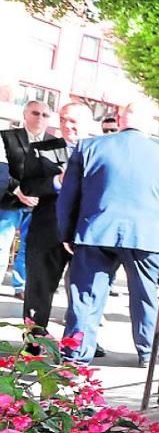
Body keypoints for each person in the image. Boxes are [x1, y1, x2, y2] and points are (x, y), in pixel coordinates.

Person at [57, 101, 159, 366]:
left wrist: (67, 233)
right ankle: (147, 352)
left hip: (95, 231)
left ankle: (76, 355)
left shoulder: (89, 147)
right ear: (149, 124)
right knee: (145, 297)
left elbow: (68, 196)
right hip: (146, 237)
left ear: (120, 119)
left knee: (86, 296)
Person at [21, 102, 94, 352]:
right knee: (38, 290)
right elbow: (28, 186)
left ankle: (78, 344)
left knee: (85, 293)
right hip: (47, 232)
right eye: (63, 119)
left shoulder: (100, 151)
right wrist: (57, 181)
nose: (67, 125)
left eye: (73, 121)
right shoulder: (41, 149)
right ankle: (33, 342)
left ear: (88, 124)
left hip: (86, 234)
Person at [0, 100, 55, 299]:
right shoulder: (6, 137)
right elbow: (1, 169)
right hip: (9, 201)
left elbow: (57, 176)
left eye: (45, 115)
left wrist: (41, 195)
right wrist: (18, 191)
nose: (40, 117)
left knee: (27, 247)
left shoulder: (54, 144)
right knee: (1, 244)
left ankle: (20, 287)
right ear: (25, 114)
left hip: (38, 205)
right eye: (35, 113)